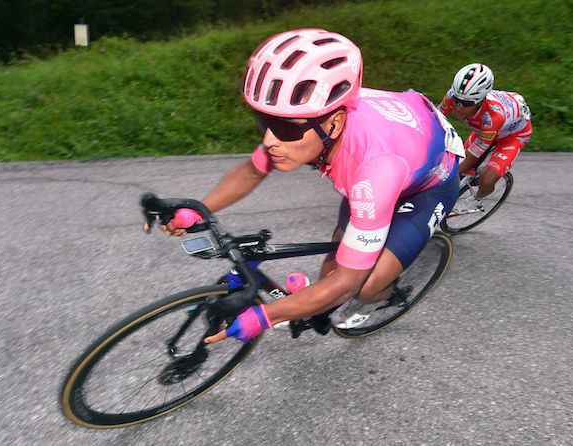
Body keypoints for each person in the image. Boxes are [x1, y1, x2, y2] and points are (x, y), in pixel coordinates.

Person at [157, 28, 464, 344]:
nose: (268, 141)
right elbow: (251, 171)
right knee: (331, 267)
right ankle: (322, 306)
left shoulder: (374, 171)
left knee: (366, 284)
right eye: (264, 121)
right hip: (397, 142)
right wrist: (198, 210)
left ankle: (386, 296)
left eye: (283, 128)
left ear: (335, 123)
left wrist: (266, 316)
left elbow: (346, 283)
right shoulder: (311, 125)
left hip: (430, 182)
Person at [438, 63, 532, 210]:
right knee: (454, 167)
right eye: (457, 100)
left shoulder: (492, 118)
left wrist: (447, 177)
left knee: (486, 180)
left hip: (512, 136)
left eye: (466, 103)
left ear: (480, 101)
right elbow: (435, 121)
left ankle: (478, 199)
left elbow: (473, 155)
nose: (458, 107)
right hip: (486, 131)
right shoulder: (454, 95)